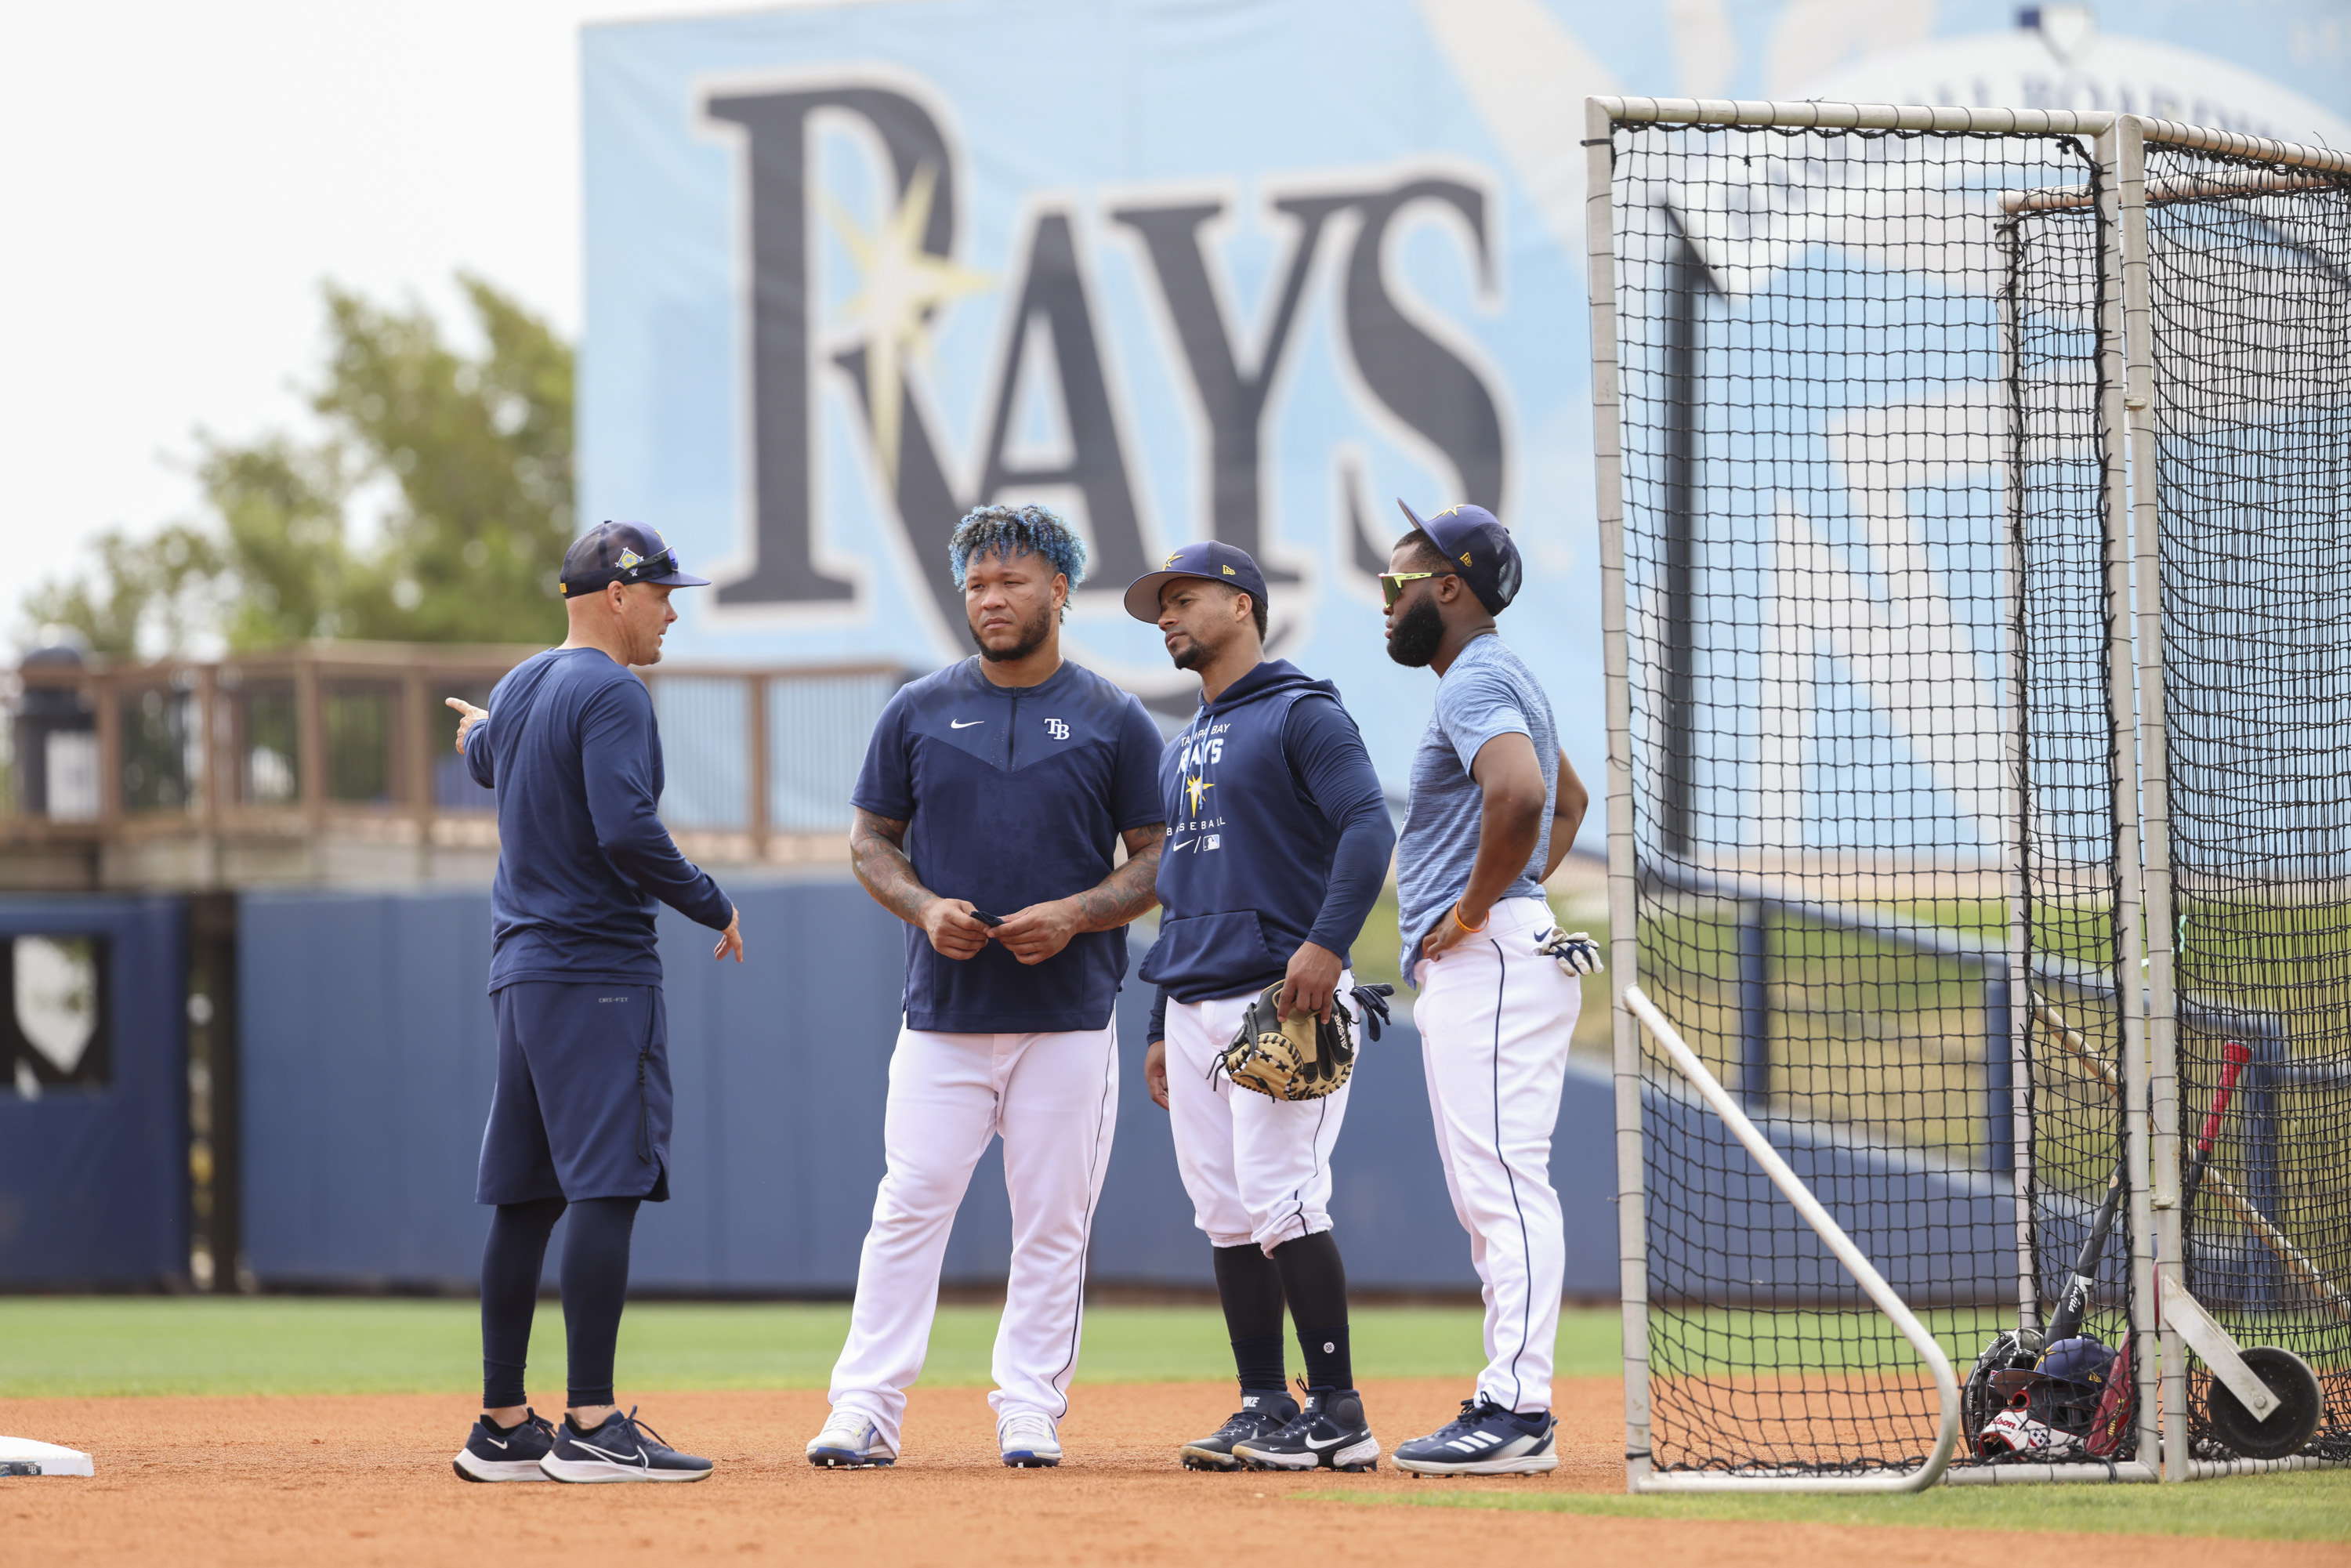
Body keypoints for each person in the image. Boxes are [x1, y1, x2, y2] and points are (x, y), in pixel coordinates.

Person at [806, 503, 1166, 1471]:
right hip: (944, 1016)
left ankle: (1029, 1408)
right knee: (909, 1204)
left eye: (1010, 581)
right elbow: (869, 842)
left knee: (1051, 1221)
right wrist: (923, 908)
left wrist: (1080, 913)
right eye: (975, 584)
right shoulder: (918, 709)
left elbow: (1157, 859)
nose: (990, 599)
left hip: (1070, 1018)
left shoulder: (1115, 717)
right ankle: (865, 1408)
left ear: (1059, 588)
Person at [444, 521, 744, 1485]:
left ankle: (501, 1425)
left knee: (526, 1196)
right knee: (605, 1184)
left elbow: (489, 760)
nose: (669, 612)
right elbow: (625, 826)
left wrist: (477, 734)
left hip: (523, 967)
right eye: (662, 594)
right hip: (596, 966)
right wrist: (711, 899)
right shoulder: (613, 688)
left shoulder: (526, 682)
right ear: (618, 595)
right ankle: (592, 1422)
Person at [1126, 542, 1396, 1473]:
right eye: (1159, 604)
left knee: (1282, 1201)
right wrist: (1160, 1022)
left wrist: (1325, 945)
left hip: (1283, 994)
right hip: (1198, 998)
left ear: (1242, 606)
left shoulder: (1301, 712)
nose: (1165, 615)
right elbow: (1182, 888)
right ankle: (1265, 1406)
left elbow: (1369, 824)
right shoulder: (1181, 743)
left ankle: (1340, 1414)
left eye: (1183, 598)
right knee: (1226, 1215)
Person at [1376, 501, 1594, 1478]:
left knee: (1503, 1189)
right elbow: (1569, 797)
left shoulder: (1475, 675)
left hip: (1494, 958)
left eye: (1398, 583)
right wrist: (1515, 902)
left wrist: (1475, 914)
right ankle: (1510, 1397)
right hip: (1510, 950)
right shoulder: (1502, 674)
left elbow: (1526, 796)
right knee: (1495, 1190)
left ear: (1449, 588)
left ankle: (1518, 1411)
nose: (1387, 602)